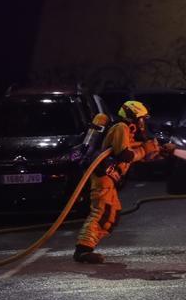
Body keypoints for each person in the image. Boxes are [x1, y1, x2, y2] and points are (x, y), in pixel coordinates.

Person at [74, 100, 174, 264]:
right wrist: (145, 150)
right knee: (101, 211)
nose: (143, 122)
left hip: (111, 178)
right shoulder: (121, 127)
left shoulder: (129, 131)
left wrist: (161, 152)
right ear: (132, 117)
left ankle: (87, 247)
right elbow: (125, 155)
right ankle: (83, 250)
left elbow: (138, 154)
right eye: (141, 118)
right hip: (103, 177)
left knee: (111, 213)